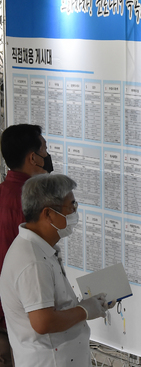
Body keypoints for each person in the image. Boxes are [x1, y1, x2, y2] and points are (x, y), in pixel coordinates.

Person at [0, 174, 108, 367]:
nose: (75, 212)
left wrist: (88, 305)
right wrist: (84, 310)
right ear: (48, 214)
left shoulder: (39, 248)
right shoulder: (33, 261)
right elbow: (43, 322)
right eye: (71, 207)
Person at [0, 124, 53, 367]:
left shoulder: (3, 192)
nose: (48, 156)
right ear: (33, 158)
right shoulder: (33, 205)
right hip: (25, 313)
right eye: (45, 150)